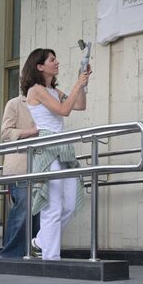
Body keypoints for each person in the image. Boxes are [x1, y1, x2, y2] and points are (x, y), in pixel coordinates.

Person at [21, 48, 90, 260]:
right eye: (52, 60)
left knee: (69, 204)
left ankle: (40, 241)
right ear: (40, 66)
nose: (57, 62)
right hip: (47, 147)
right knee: (53, 205)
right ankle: (51, 258)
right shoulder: (36, 90)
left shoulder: (53, 91)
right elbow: (63, 111)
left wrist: (83, 84)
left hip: (63, 147)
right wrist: (78, 82)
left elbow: (79, 105)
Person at [0, 95, 40, 258]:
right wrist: (33, 131)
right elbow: (6, 133)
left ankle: (30, 250)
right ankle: (11, 254)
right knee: (23, 207)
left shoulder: (47, 103)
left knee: (39, 211)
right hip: (20, 166)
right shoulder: (14, 104)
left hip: (42, 165)